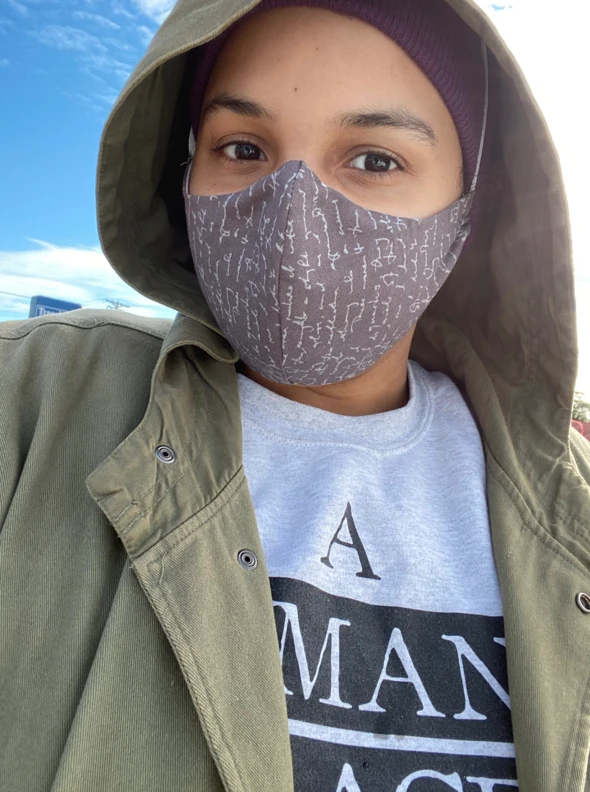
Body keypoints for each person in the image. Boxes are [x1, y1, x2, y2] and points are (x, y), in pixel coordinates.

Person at [1, 0, 589, 790]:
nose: (293, 226)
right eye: (242, 148)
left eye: (374, 159)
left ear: (467, 213)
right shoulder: (36, 401)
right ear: (186, 174)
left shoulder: (570, 507)